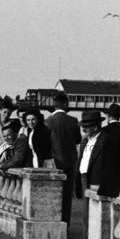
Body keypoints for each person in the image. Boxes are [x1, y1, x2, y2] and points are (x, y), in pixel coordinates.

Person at [45, 92, 81, 226]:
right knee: (66, 196)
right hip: (70, 162)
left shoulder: (47, 121)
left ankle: (54, 222)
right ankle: (65, 224)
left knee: (53, 194)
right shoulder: (73, 121)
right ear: (65, 104)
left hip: (54, 162)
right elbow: (78, 140)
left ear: (54, 105)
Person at [75, 110, 108, 239]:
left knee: (94, 216)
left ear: (95, 126)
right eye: (82, 126)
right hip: (84, 179)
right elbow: (80, 161)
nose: (83, 129)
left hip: (95, 180)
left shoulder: (105, 140)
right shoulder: (85, 141)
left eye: (86, 126)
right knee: (85, 216)